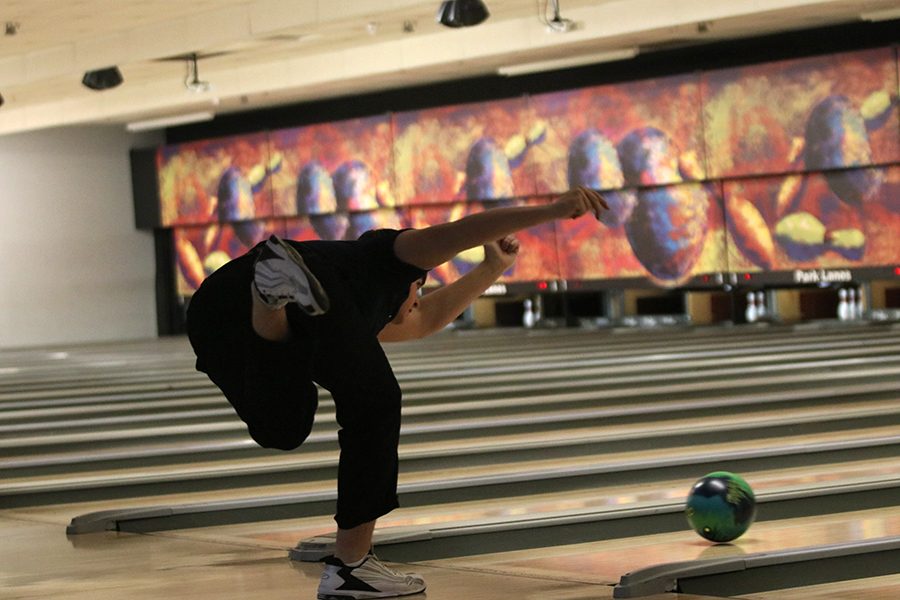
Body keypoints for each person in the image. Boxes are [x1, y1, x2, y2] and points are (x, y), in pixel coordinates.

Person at [185, 186, 608, 599]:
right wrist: (550, 210)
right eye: (420, 290)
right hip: (310, 277)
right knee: (376, 401)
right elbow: (462, 231)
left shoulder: (368, 315)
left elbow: (426, 321)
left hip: (214, 313)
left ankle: (269, 301)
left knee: (284, 428)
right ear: (413, 279)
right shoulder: (387, 258)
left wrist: (492, 269)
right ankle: (352, 567)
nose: (418, 301)